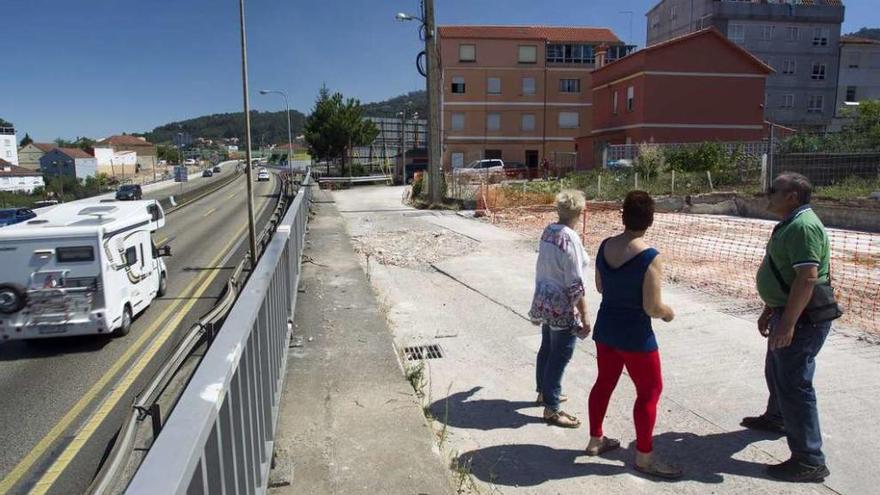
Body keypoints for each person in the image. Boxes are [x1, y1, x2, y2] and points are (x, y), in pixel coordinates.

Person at [742, 172, 833, 482]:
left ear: (792, 196)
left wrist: (789, 323)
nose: (767, 194)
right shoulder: (791, 223)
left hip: (803, 319)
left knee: (795, 384)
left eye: (773, 190)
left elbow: (807, 278)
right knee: (777, 371)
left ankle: (809, 460)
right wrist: (771, 309)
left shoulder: (804, 227)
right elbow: (785, 274)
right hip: (787, 312)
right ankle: (777, 417)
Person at [586, 191, 681, 479]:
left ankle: (595, 439)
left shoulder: (605, 247)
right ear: (650, 220)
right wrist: (668, 312)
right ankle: (644, 457)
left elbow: (601, 287)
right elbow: (652, 306)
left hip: (606, 330)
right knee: (649, 392)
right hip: (636, 337)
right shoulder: (650, 257)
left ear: (623, 215)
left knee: (604, 382)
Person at [528, 190, 591, 428]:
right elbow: (575, 281)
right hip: (562, 304)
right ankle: (552, 409)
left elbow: (544, 266)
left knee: (547, 348)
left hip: (545, 299)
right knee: (561, 353)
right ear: (579, 212)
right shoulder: (570, 238)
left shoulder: (549, 232)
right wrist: (584, 314)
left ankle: (545, 392)